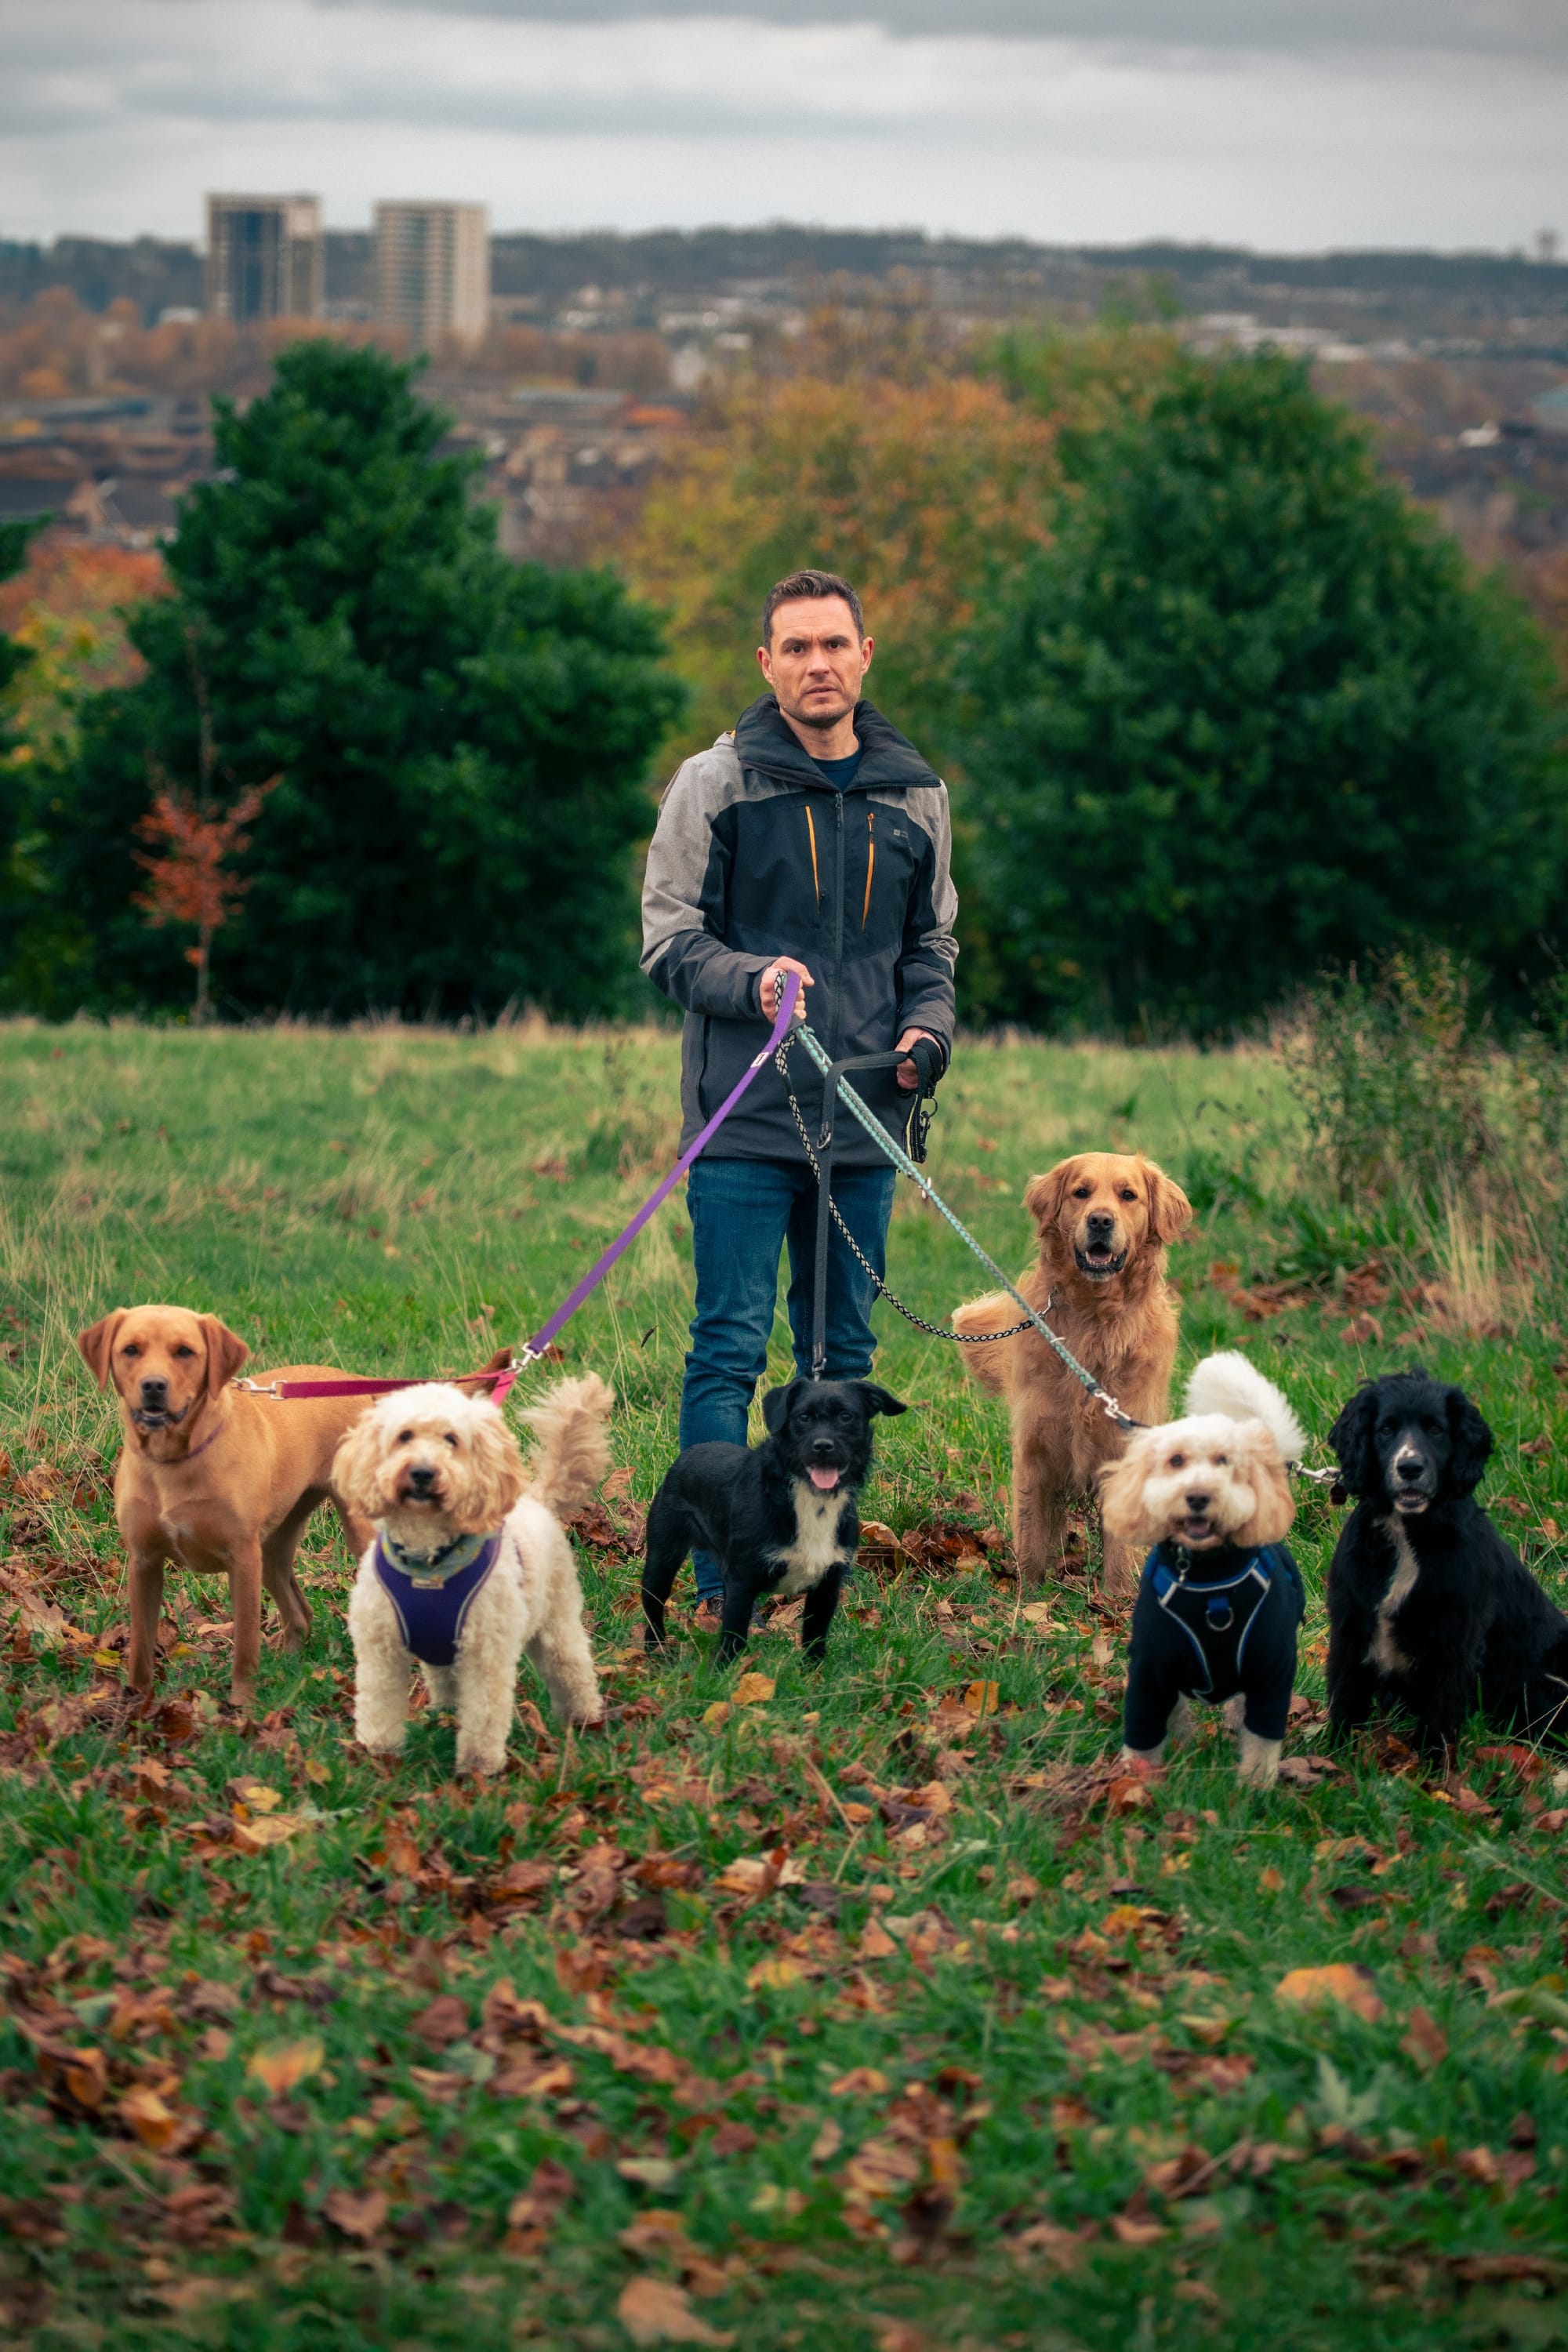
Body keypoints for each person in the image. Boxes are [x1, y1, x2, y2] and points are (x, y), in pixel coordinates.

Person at [641, 567, 957, 1619]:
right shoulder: (716, 784)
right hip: (745, 1115)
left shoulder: (918, 793)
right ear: (767, 664)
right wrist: (756, 979)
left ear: (865, 656)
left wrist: (929, 1028)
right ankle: (715, 1575)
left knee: (845, 1358)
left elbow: (932, 943)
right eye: (797, 647)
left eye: (835, 644)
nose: (818, 664)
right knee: (729, 1346)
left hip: (867, 1121)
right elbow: (669, 938)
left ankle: (816, 1563)